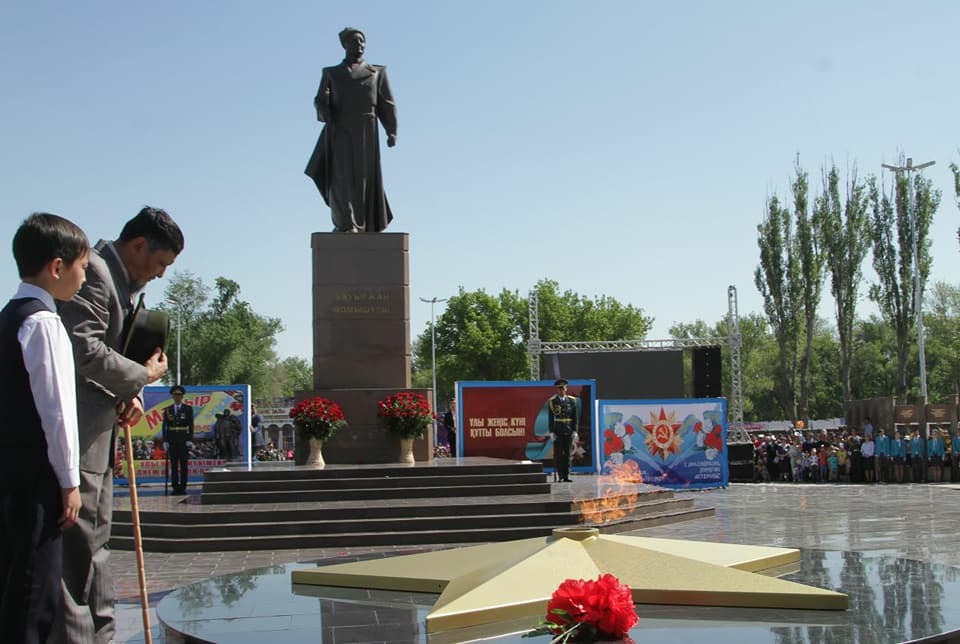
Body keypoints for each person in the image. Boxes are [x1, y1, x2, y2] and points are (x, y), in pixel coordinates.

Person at [54, 206, 181, 643]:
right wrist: (141, 376)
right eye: (160, 263)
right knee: (80, 555)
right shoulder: (94, 272)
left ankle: (101, 633)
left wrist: (133, 394)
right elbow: (82, 349)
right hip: (80, 436)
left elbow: (114, 357)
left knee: (96, 549)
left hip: (101, 436)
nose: (161, 275)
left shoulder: (121, 283)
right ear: (139, 245)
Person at [0, 213, 87, 643]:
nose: (83, 277)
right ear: (57, 267)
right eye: (82, 267)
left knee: (12, 589)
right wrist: (70, 482)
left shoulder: (10, 316)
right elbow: (57, 412)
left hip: (9, 475)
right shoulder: (44, 323)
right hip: (38, 481)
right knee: (35, 595)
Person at [304, 27, 398, 232]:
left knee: (363, 177)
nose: (360, 45)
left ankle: (363, 223)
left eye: (362, 41)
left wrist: (391, 130)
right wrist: (323, 105)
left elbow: (387, 104)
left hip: (365, 128)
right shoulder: (331, 73)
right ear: (344, 45)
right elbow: (319, 101)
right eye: (355, 41)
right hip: (340, 127)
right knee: (341, 176)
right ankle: (346, 222)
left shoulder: (377, 72)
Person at [162, 385, 194, 495]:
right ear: (172, 396)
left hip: (183, 439)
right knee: (174, 464)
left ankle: (183, 486)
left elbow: (191, 425)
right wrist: (165, 440)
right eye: (175, 395)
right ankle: (175, 486)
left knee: (184, 464)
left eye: (179, 395)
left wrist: (190, 439)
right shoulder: (168, 410)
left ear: (182, 396)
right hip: (172, 439)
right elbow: (165, 426)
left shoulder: (188, 409)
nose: (177, 397)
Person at [548, 379, 577, 482]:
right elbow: (551, 418)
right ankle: (560, 475)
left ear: (566, 389)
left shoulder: (572, 400)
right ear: (557, 390)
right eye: (559, 389)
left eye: (563, 388)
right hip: (558, 431)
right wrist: (551, 432)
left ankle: (567, 475)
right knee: (559, 454)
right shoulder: (553, 401)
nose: (561, 391)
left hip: (568, 430)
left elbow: (574, 417)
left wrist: (575, 430)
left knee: (568, 454)